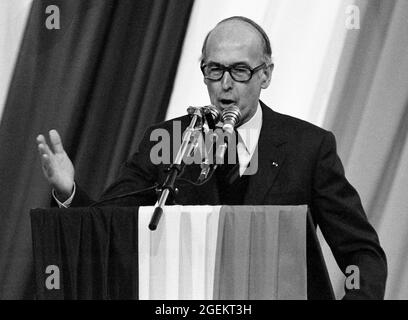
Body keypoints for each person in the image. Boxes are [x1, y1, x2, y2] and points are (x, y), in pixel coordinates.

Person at [36, 16, 387, 299]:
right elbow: (108, 223)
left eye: (240, 71)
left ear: (265, 74)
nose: (225, 85)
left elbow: (362, 253)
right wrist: (69, 193)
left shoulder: (308, 147)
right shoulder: (171, 140)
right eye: (214, 70)